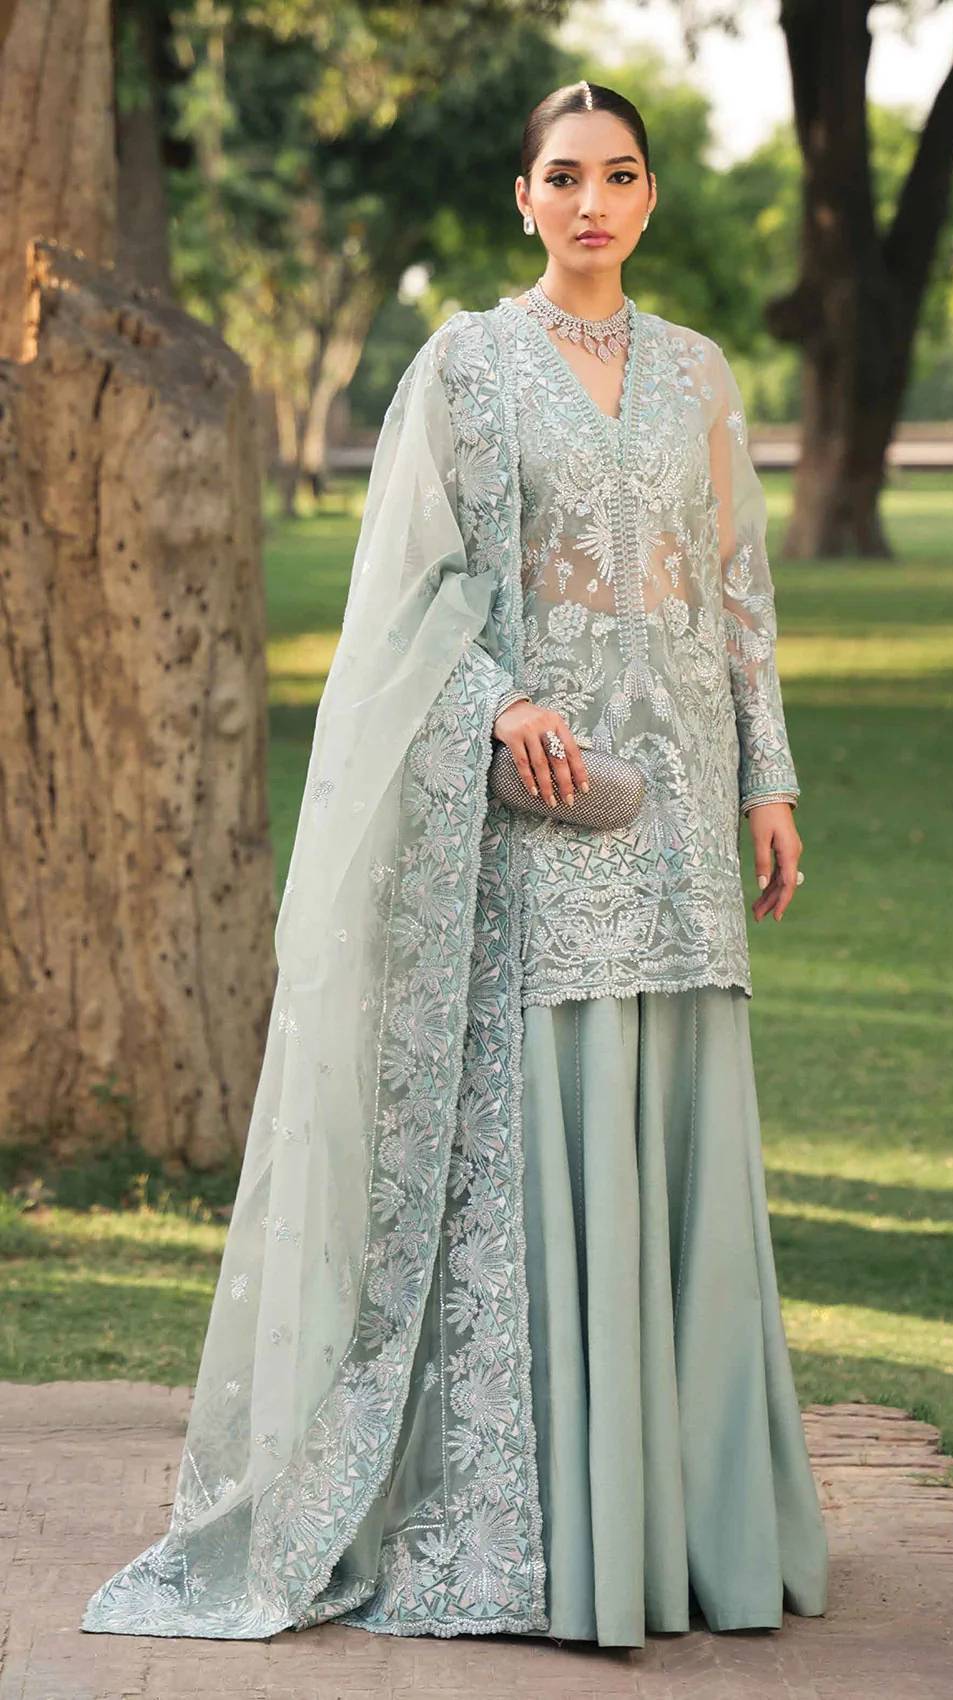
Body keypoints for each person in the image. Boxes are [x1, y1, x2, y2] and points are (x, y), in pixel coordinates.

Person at [81, 77, 828, 1650]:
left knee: (681, 1133)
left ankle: (695, 1533)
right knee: (558, 1124)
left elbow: (737, 591)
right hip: (549, 808)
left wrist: (770, 780)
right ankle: (560, 1537)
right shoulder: (467, 369)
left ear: (648, 196)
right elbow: (405, 599)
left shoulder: (700, 375)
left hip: (683, 817)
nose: (591, 203)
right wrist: (498, 703)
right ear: (523, 196)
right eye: (565, 177)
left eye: (618, 176)